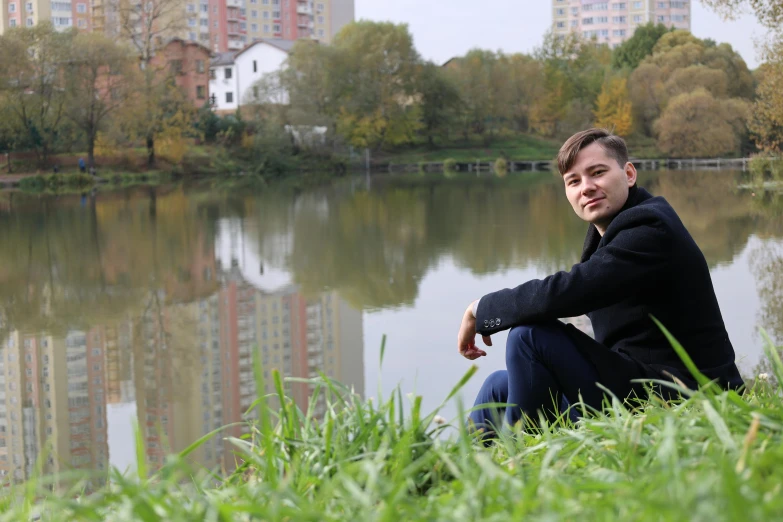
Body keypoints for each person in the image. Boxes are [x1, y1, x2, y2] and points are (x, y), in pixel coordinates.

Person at [458, 128, 744, 437]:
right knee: (496, 387)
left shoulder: (650, 228)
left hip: (685, 394)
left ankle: (522, 457)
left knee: (529, 337)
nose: (587, 187)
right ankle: (459, 475)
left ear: (629, 174)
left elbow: (574, 290)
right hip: (638, 380)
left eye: (598, 173)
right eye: (574, 181)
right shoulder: (609, 233)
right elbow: (575, 291)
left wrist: (481, 309)